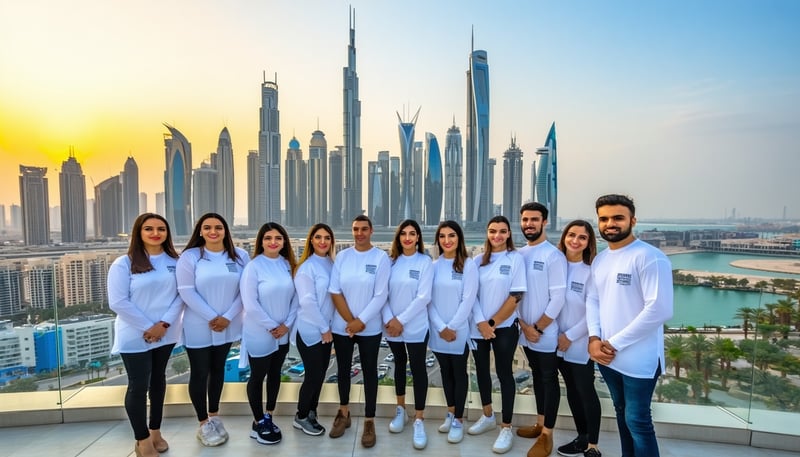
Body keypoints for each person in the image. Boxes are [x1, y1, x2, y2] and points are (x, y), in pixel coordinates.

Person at [586, 194, 673, 457]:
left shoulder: (649, 257)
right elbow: (592, 299)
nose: (610, 223)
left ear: (632, 220)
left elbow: (659, 309)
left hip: (639, 359)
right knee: (622, 415)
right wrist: (593, 339)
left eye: (617, 218)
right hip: (608, 358)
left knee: (639, 422)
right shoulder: (601, 259)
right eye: (604, 219)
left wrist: (612, 343)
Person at [108, 213, 183, 457]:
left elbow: (181, 295)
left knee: (159, 382)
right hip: (134, 334)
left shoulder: (175, 260)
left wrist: (163, 324)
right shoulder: (124, 263)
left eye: (161, 228)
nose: (155, 233)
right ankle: (142, 440)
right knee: (138, 386)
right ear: (138, 233)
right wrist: (148, 327)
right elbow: (118, 301)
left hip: (166, 332)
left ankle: (156, 432)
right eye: (148, 228)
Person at [176, 213, 248, 447]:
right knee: (199, 372)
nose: (213, 231)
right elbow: (186, 291)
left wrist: (226, 318)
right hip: (198, 324)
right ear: (200, 231)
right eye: (207, 227)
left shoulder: (240, 256)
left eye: (218, 227)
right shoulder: (190, 257)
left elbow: (244, 292)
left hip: (228, 323)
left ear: (226, 230)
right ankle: (203, 422)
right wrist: (212, 317)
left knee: (217, 370)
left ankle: (215, 416)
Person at [328, 215, 391, 448]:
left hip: (370, 328)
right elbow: (335, 291)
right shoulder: (343, 257)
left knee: (369, 373)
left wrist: (361, 321)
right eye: (355, 229)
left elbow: (380, 295)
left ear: (371, 231)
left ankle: (369, 420)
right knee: (343, 371)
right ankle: (343, 413)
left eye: (364, 229)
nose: (359, 233)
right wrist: (350, 321)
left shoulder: (381, 258)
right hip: (342, 326)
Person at [469, 215, 527, 454]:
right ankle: (488, 415)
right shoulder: (476, 261)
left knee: (504, 374)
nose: (497, 236)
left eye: (502, 231)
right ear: (487, 233)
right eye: (493, 231)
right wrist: (481, 322)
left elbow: (516, 296)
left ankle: (506, 426)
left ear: (509, 234)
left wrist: (491, 323)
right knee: (481, 371)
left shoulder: (515, 259)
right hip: (477, 326)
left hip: (503, 327)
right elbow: (470, 295)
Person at [516, 202, 567, 457]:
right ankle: (539, 423)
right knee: (537, 377)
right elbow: (515, 295)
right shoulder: (519, 254)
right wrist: (525, 327)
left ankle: (548, 434)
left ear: (544, 222)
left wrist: (537, 327)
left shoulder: (553, 256)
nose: (529, 224)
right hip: (526, 333)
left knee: (548, 380)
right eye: (525, 219)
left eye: (534, 219)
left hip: (544, 333)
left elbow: (558, 298)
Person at [240, 222, 298, 445]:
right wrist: (272, 325)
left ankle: (269, 416)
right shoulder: (253, 267)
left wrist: (287, 325)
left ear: (284, 242)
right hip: (260, 331)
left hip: (283, 331)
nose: (273, 242)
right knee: (258, 376)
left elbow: (295, 298)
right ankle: (257, 422)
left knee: (275, 374)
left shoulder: (287, 264)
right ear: (261, 242)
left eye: (278, 238)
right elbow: (250, 303)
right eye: (268, 238)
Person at [384, 219, 433, 449]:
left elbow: (423, 297)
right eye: (403, 233)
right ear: (398, 237)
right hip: (392, 327)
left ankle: (419, 419)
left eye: (412, 233)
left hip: (415, 326)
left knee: (418, 369)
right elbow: (381, 294)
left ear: (418, 237)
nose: (407, 238)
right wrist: (389, 320)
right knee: (399, 365)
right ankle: (401, 409)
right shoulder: (390, 262)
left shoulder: (425, 262)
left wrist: (400, 320)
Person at [555, 220, 602, 457]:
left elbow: (593, 312)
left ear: (588, 243)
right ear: (564, 237)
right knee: (572, 391)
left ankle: (592, 445)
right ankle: (581, 437)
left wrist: (570, 336)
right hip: (556, 343)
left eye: (582, 237)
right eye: (571, 235)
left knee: (586, 392)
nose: (575, 240)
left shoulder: (591, 271)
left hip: (580, 344)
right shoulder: (557, 265)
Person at [428, 220, 477, 445]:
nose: (447, 240)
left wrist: (452, 327)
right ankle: (450, 412)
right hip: (438, 330)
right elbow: (429, 301)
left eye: (452, 236)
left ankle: (458, 420)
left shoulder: (468, 265)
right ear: (438, 240)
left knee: (459, 374)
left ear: (459, 239)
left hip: (459, 332)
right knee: (445, 373)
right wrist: (441, 327)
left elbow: (468, 300)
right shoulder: (433, 265)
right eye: (442, 236)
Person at [291, 223, 336, 436]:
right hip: (311, 332)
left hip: (326, 331)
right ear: (311, 240)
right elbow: (308, 302)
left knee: (319, 376)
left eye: (327, 238)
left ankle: (311, 411)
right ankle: (300, 416)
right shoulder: (306, 268)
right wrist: (324, 328)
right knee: (313, 376)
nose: (322, 241)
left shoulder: (330, 263)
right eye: (318, 237)